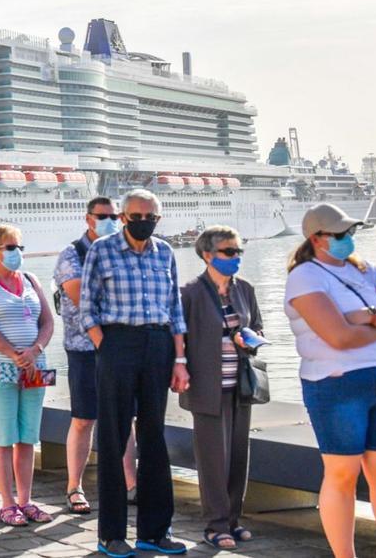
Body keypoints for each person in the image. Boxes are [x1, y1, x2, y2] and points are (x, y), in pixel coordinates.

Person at [285, 203, 376, 558]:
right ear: (317, 238)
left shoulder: (367, 269)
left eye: (350, 232)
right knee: (342, 475)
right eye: (340, 234)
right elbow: (337, 337)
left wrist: (365, 316)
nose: (348, 239)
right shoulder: (305, 276)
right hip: (334, 384)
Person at [80, 189, 190, 557]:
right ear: (123, 217)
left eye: (151, 217)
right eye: (137, 216)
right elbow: (87, 306)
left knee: (154, 436)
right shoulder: (102, 249)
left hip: (158, 345)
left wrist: (179, 359)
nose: (144, 222)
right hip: (118, 343)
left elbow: (175, 309)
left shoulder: (166, 252)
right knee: (113, 437)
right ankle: (111, 533)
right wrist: (104, 344)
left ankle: (155, 531)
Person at [0, 224, 55, 526]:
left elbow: (47, 322)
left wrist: (35, 349)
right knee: (4, 436)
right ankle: (7, 503)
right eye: (11, 247)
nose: (18, 253)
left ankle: (26, 500)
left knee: (28, 436)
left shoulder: (31, 279)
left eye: (20, 247)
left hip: (35, 367)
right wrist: (13, 353)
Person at [52, 197, 138, 514]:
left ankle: (132, 484)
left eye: (116, 216)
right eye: (104, 216)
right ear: (88, 218)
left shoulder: (125, 250)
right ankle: (74, 487)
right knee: (84, 418)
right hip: (85, 349)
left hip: (121, 349)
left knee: (125, 417)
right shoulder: (72, 254)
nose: (111, 220)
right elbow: (80, 295)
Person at [179, 226, 262, 548]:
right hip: (207, 388)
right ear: (208, 255)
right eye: (229, 252)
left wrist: (249, 338)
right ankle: (215, 525)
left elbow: (257, 325)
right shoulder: (190, 293)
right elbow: (178, 339)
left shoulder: (246, 290)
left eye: (239, 251)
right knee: (214, 458)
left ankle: (233, 519)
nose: (236, 257)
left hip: (241, 385)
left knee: (239, 455)